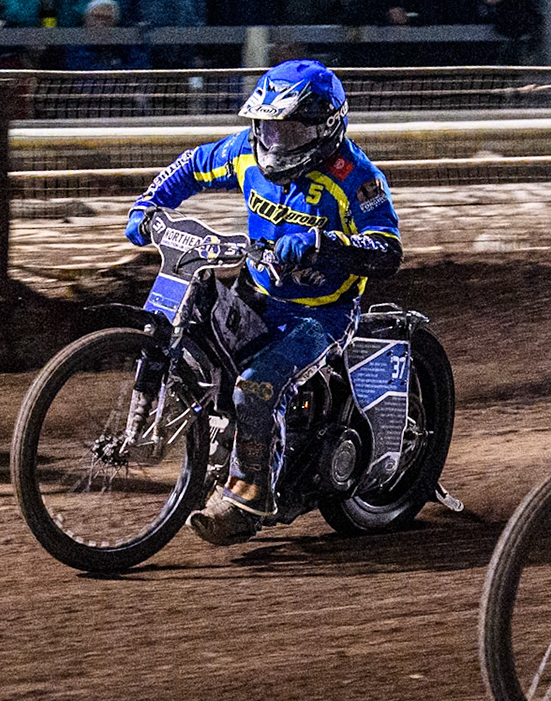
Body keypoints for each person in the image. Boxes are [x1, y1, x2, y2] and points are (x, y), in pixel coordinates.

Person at [122, 60, 401, 545]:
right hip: (260, 291)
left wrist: (323, 243)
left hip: (322, 314)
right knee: (201, 330)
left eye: (289, 129)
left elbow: (388, 250)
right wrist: (149, 205)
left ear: (325, 127)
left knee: (253, 387)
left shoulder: (357, 178)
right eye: (267, 126)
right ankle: (227, 441)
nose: (275, 140)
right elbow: (190, 167)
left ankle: (249, 501)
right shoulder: (246, 153)